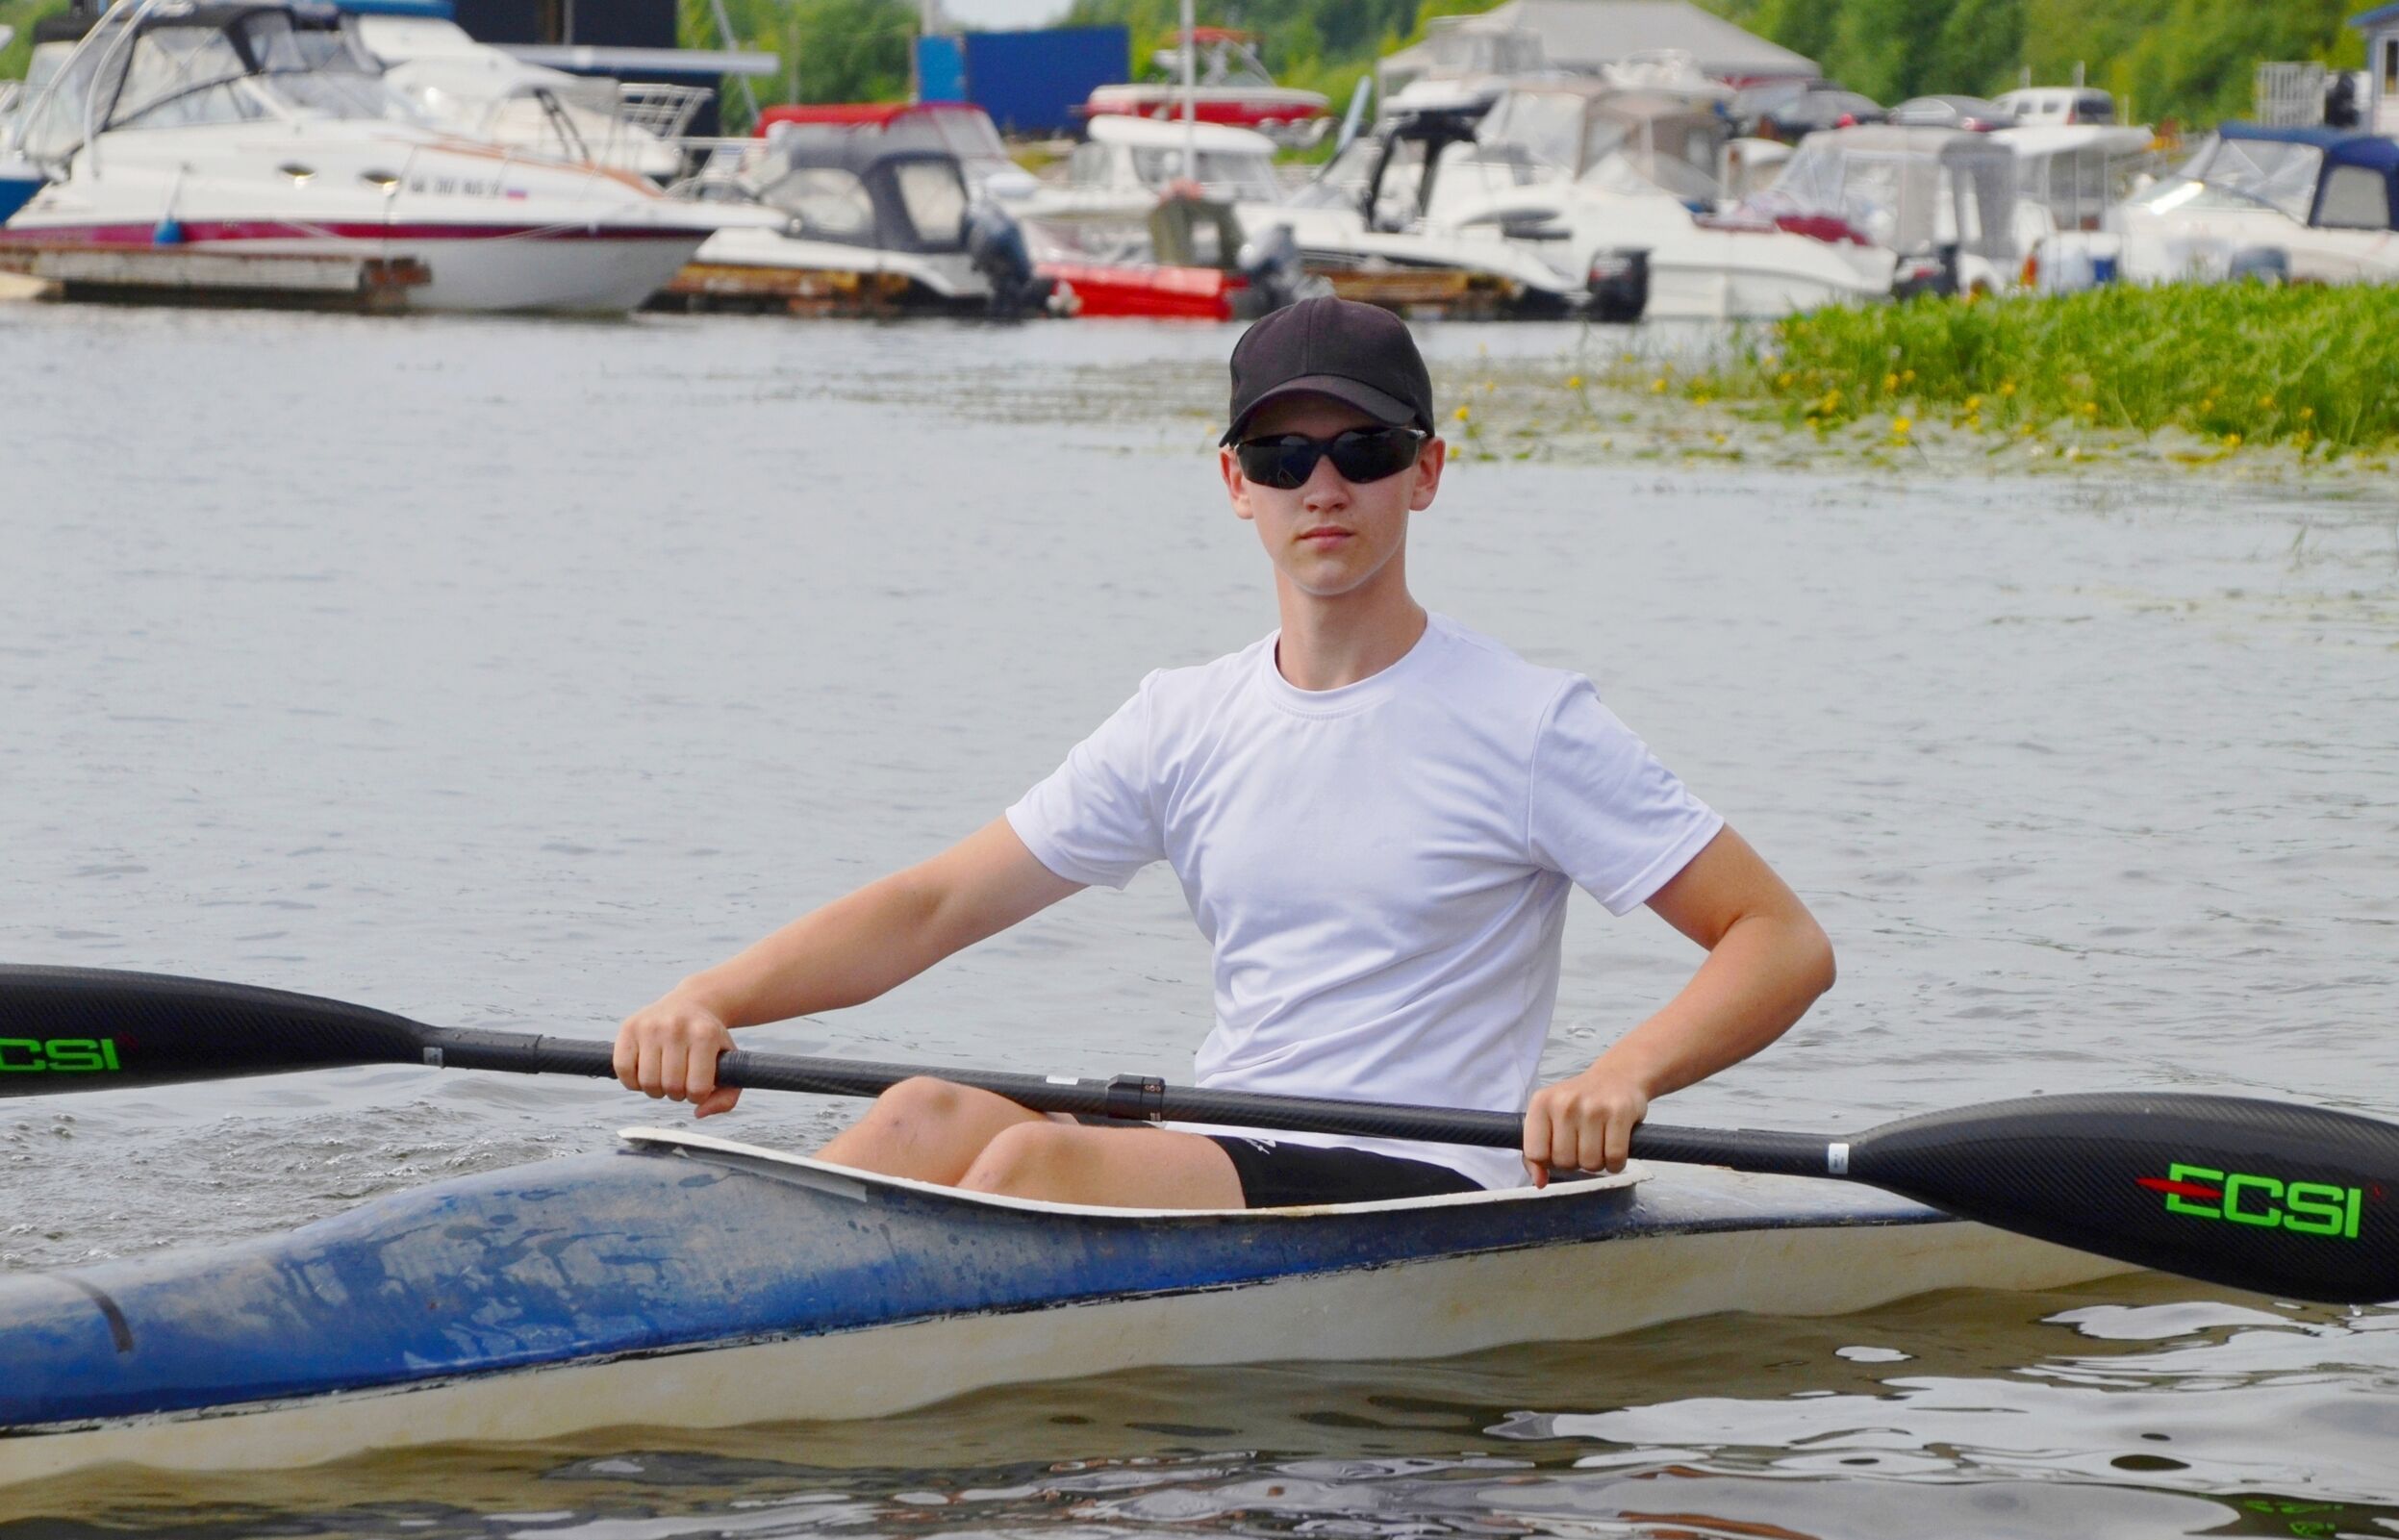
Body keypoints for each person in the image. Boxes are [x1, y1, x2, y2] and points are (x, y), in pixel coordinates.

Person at [615, 297, 1835, 1210]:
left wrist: (1619, 1075)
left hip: (1430, 1184)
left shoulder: (1526, 722)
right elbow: (930, 905)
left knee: (1036, 1158)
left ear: (1425, 473)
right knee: (923, 1112)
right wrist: (710, 997)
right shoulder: (1182, 718)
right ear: (1232, 483)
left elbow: (1779, 939)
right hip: (1233, 1134)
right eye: (1280, 456)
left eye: (1361, 451)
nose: (1321, 485)